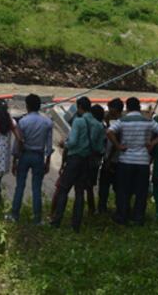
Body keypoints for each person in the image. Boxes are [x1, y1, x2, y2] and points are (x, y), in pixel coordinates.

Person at [107, 97, 158, 226]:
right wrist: (152, 143)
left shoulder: (123, 121)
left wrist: (118, 146)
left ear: (127, 108)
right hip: (142, 161)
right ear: (139, 108)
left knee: (124, 190)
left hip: (126, 160)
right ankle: (138, 218)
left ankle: (122, 216)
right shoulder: (147, 121)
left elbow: (109, 131)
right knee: (141, 192)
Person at [51, 97, 103, 232]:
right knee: (80, 192)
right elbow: (98, 147)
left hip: (74, 159)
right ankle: (76, 225)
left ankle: (56, 221)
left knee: (63, 189)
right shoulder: (98, 125)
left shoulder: (78, 122)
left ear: (79, 107)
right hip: (87, 162)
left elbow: (72, 141)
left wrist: (64, 144)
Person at [9, 94, 52, 224]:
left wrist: (15, 161)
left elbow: (18, 143)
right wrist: (48, 162)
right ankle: (37, 217)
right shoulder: (47, 122)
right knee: (36, 187)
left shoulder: (22, 122)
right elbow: (49, 146)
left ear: (27, 106)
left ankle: (14, 215)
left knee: (20, 186)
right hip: (38, 156)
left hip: (25, 155)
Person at [97, 98, 124, 214]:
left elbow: (115, 140)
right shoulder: (120, 122)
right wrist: (107, 123)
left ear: (114, 109)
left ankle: (103, 209)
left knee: (105, 185)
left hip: (113, 160)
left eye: (109, 108)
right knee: (116, 187)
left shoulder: (119, 123)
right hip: (117, 159)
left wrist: (108, 159)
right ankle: (118, 209)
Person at [85, 104, 106, 216]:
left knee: (86, 186)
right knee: (89, 187)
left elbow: (92, 144)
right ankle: (91, 209)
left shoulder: (96, 127)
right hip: (96, 160)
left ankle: (91, 209)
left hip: (91, 159)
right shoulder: (101, 126)